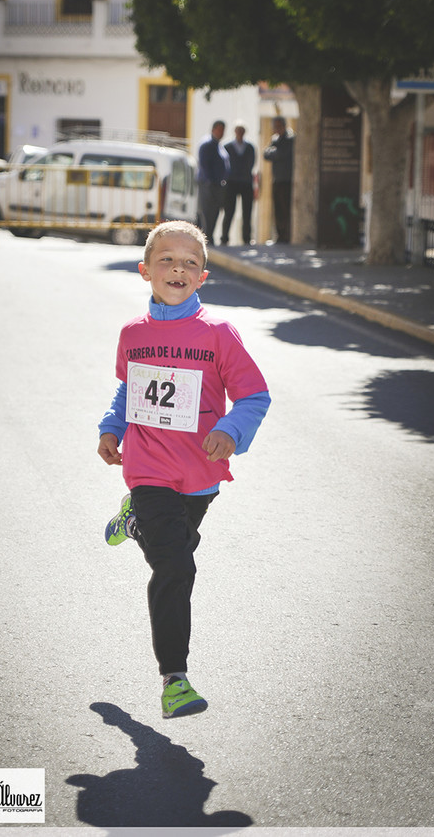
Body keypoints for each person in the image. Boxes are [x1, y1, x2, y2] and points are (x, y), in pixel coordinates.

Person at [97, 220, 270, 719]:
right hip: (147, 466)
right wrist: (112, 428)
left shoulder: (218, 334)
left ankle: (135, 522)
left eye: (190, 262)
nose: (178, 267)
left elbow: (255, 395)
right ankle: (175, 677)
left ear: (203, 277)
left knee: (176, 546)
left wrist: (232, 431)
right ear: (145, 269)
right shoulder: (133, 334)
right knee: (175, 566)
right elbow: (128, 390)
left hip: (201, 472)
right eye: (167, 259)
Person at [221, 122, 256, 245]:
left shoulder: (250, 147)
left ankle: (246, 238)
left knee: (247, 212)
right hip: (231, 183)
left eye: (242, 131)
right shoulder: (228, 147)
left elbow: (251, 163)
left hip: (246, 182)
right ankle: (224, 237)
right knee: (229, 211)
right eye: (238, 131)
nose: (240, 134)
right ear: (235, 132)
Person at [197, 120, 230, 245]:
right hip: (209, 185)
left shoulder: (218, 144)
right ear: (214, 129)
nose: (221, 133)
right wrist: (210, 183)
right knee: (207, 214)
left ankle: (209, 238)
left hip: (217, 186)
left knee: (215, 213)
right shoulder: (207, 144)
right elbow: (205, 166)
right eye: (219, 129)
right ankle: (206, 239)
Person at [263, 116, 294, 243]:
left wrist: (274, 152)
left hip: (287, 179)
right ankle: (280, 235)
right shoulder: (275, 139)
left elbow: (281, 154)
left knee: (286, 209)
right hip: (277, 179)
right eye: (275, 126)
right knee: (278, 210)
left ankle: (287, 235)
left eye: (279, 126)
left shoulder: (290, 139)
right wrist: (274, 152)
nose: (277, 129)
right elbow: (266, 154)